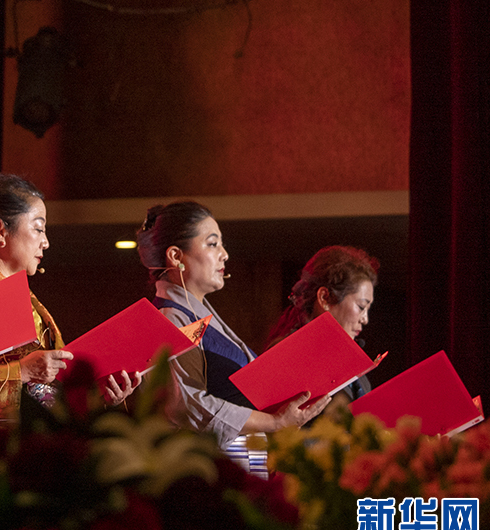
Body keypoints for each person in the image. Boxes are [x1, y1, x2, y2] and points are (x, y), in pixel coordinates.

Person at [136, 201, 329, 477]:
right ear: (176, 256)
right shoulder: (170, 317)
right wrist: (274, 422)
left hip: (240, 460)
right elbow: (186, 403)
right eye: (212, 244)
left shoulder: (195, 312)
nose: (224, 254)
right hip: (208, 468)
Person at [0, 173, 140, 423]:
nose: (46, 242)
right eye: (38, 228)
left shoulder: (27, 301)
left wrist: (98, 396)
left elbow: (53, 390)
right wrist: (21, 371)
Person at [266, 245, 379, 402]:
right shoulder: (285, 358)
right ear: (324, 298)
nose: (365, 319)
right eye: (361, 306)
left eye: (367, 309)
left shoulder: (357, 374)